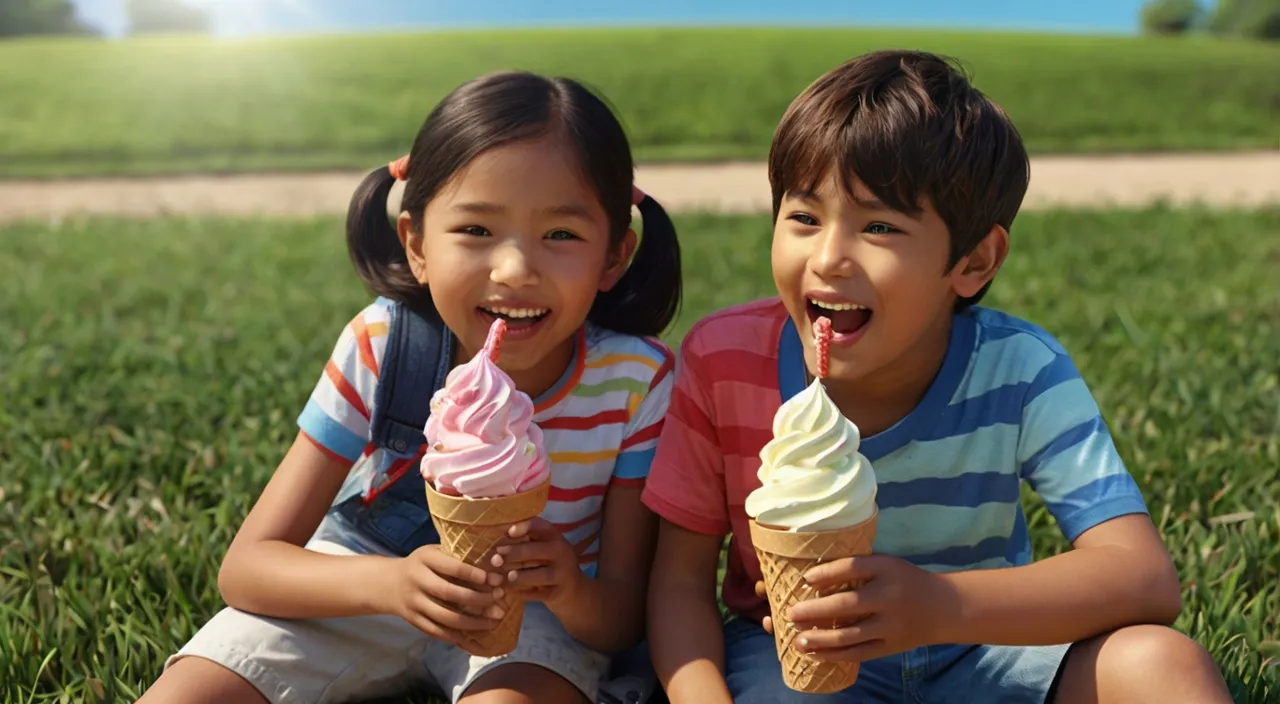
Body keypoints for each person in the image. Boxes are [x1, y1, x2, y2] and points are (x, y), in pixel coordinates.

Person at [642, 49, 1233, 703]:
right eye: (804, 217)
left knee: (1160, 665)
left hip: (989, 646)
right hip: (800, 660)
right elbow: (678, 586)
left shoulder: (1020, 369)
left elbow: (1143, 579)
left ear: (975, 261)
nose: (829, 258)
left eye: (880, 226)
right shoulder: (723, 360)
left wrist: (940, 604)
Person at [141, 70, 682, 704]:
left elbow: (622, 616)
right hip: (360, 582)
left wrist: (567, 587)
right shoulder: (383, 346)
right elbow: (249, 567)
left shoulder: (634, 383)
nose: (515, 270)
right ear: (417, 245)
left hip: (536, 619)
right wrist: (391, 585)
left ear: (614, 256)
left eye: (561, 234)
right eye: (476, 231)